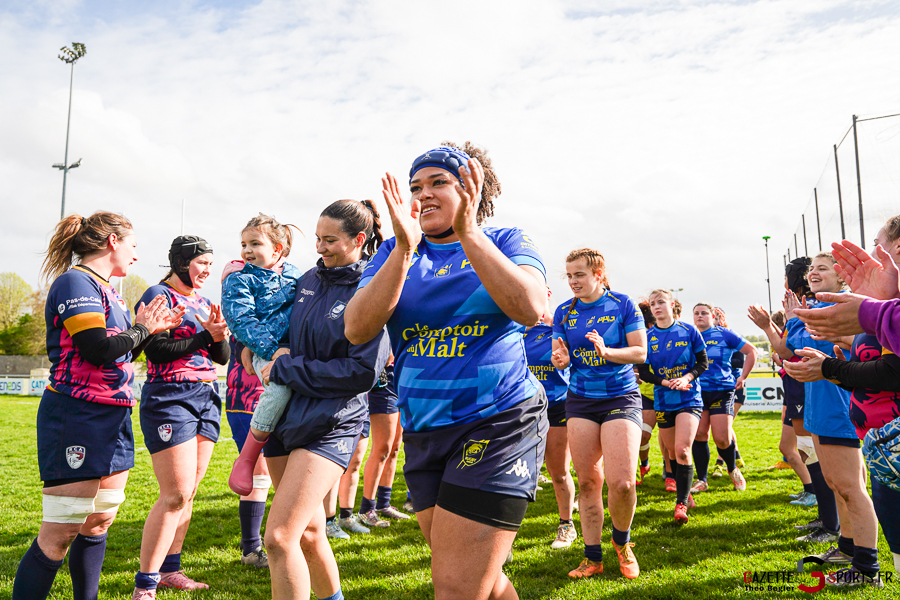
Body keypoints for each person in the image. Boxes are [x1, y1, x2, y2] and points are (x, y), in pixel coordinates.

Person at [345, 143, 548, 600]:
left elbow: (531, 308)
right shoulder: (396, 254)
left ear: (472, 188)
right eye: (416, 186)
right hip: (425, 427)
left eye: (439, 182)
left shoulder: (507, 240)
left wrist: (470, 233)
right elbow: (357, 330)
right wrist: (401, 251)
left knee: (456, 586)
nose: (424, 194)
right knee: (484, 580)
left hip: (498, 420)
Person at [13, 212, 178, 600]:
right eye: (133, 246)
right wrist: (142, 328)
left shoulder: (112, 290)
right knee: (60, 532)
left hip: (114, 414)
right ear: (112, 241)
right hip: (77, 414)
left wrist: (147, 331)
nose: (136, 256)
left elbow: (122, 354)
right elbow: (97, 349)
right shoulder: (76, 281)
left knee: (99, 522)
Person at [261, 199, 390, 600]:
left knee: (280, 538)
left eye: (330, 240)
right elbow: (286, 335)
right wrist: (265, 352)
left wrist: (286, 368)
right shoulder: (307, 281)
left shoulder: (373, 288)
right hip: (287, 417)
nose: (320, 247)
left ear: (359, 240)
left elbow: (361, 373)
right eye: (317, 238)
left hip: (331, 422)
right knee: (311, 533)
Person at [132, 236, 231, 599]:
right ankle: (145, 584)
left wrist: (218, 336)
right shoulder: (158, 294)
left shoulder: (204, 301)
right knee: (174, 494)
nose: (206, 270)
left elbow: (220, 356)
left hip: (207, 396)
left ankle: (171, 570)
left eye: (209, 263)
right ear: (179, 262)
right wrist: (205, 335)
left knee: (188, 494)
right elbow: (154, 351)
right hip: (170, 396)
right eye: (200, 263)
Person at [781, 253, 880, 582]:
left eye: (822, 268)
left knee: (851, 488)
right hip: (819, 410)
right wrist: (795, 317)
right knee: (838, 485)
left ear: (842, 280)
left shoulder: (846, 309)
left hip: (839, 411)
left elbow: (847, 346)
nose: (813, 274)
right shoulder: (816, 310)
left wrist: (799, 319)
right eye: (812, 270)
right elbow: (794, 349)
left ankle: (867, 567)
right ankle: (848, 547)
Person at [550, 249, 647, 579]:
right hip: (580, 401)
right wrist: (560, 359)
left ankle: (622, 544)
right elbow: (559, 352)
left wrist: (607, 352)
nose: (573, 281)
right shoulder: (564, 311)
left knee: (621, 483)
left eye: (579, 274)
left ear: (599, 274)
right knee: (590, 481)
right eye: (569, 275)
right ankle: (592, 558)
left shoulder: (622, 304)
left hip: (620, 397)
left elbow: (640, 351)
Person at [222, 214, 304, 496]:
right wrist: (273, 353)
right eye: (243, 244)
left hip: (297, 350)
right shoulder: (239, 279)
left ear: (277, 249)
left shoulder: (298, 276)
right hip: (264, 350)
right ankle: (247, 457)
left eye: (254, 243)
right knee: (279, 389)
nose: (246, 250)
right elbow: (241, 321)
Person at [637, 289, 707, 525]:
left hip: (689, 399)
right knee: (671, 453)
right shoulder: (647, 336)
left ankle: (681, 503)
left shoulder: (688, 330)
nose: (656, 307)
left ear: (672, 305)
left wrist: (687, 378)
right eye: (653, 304)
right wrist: (666, 382)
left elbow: (703, 362)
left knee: (682, 450)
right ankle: (684, 491)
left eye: (661, 302)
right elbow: (644, 372)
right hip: (663, 399)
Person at [221, 259, 272, 568]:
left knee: (269, 473)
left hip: (267, 399)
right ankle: (251, 549)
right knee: (259, 474)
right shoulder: (241, 314)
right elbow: (244, 350)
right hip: (245, 400)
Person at [523, 291, 574, 549]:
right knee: (515, 475)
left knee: (560, 473)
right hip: (521, 409)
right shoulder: (511, 331)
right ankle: (503, 537)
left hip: (557, 406)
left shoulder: (560, 328)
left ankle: (566, 525)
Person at [689, 303, 756, 493]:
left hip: (722, 391)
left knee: (722, 438)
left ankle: (733, 469)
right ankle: (701, 480)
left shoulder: (725, 334)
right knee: (700, 434)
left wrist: (743, 377)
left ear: (712, 316)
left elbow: (752, 351)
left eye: (704, 313)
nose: (700, 316)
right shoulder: (689, 335)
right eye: (696, 313)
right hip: (697, 392)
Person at [358, 361, 411, 527]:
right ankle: (367, 509)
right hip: (384, 381)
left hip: (404, 376)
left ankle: (384, 504)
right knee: (382, 449)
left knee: (395, 448)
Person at [634, 300, 657, 485]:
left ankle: (671, 474)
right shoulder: (639, 338)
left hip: (670, 394)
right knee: (642, 436)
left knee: (671, 443)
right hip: (647, 394)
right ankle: (645, 463)